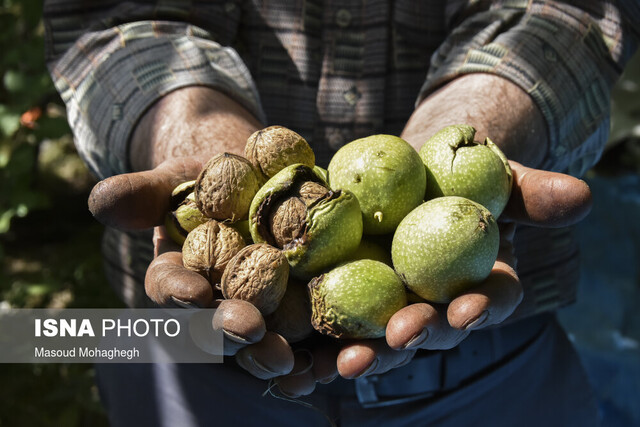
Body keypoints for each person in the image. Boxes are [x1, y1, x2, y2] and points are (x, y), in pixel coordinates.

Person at [43, 1, 638, 425]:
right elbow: (111, 17)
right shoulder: (239, 228)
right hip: (179, 336)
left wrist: (488, 109)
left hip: (493, 354)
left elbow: (568, 9)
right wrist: (185, 129)